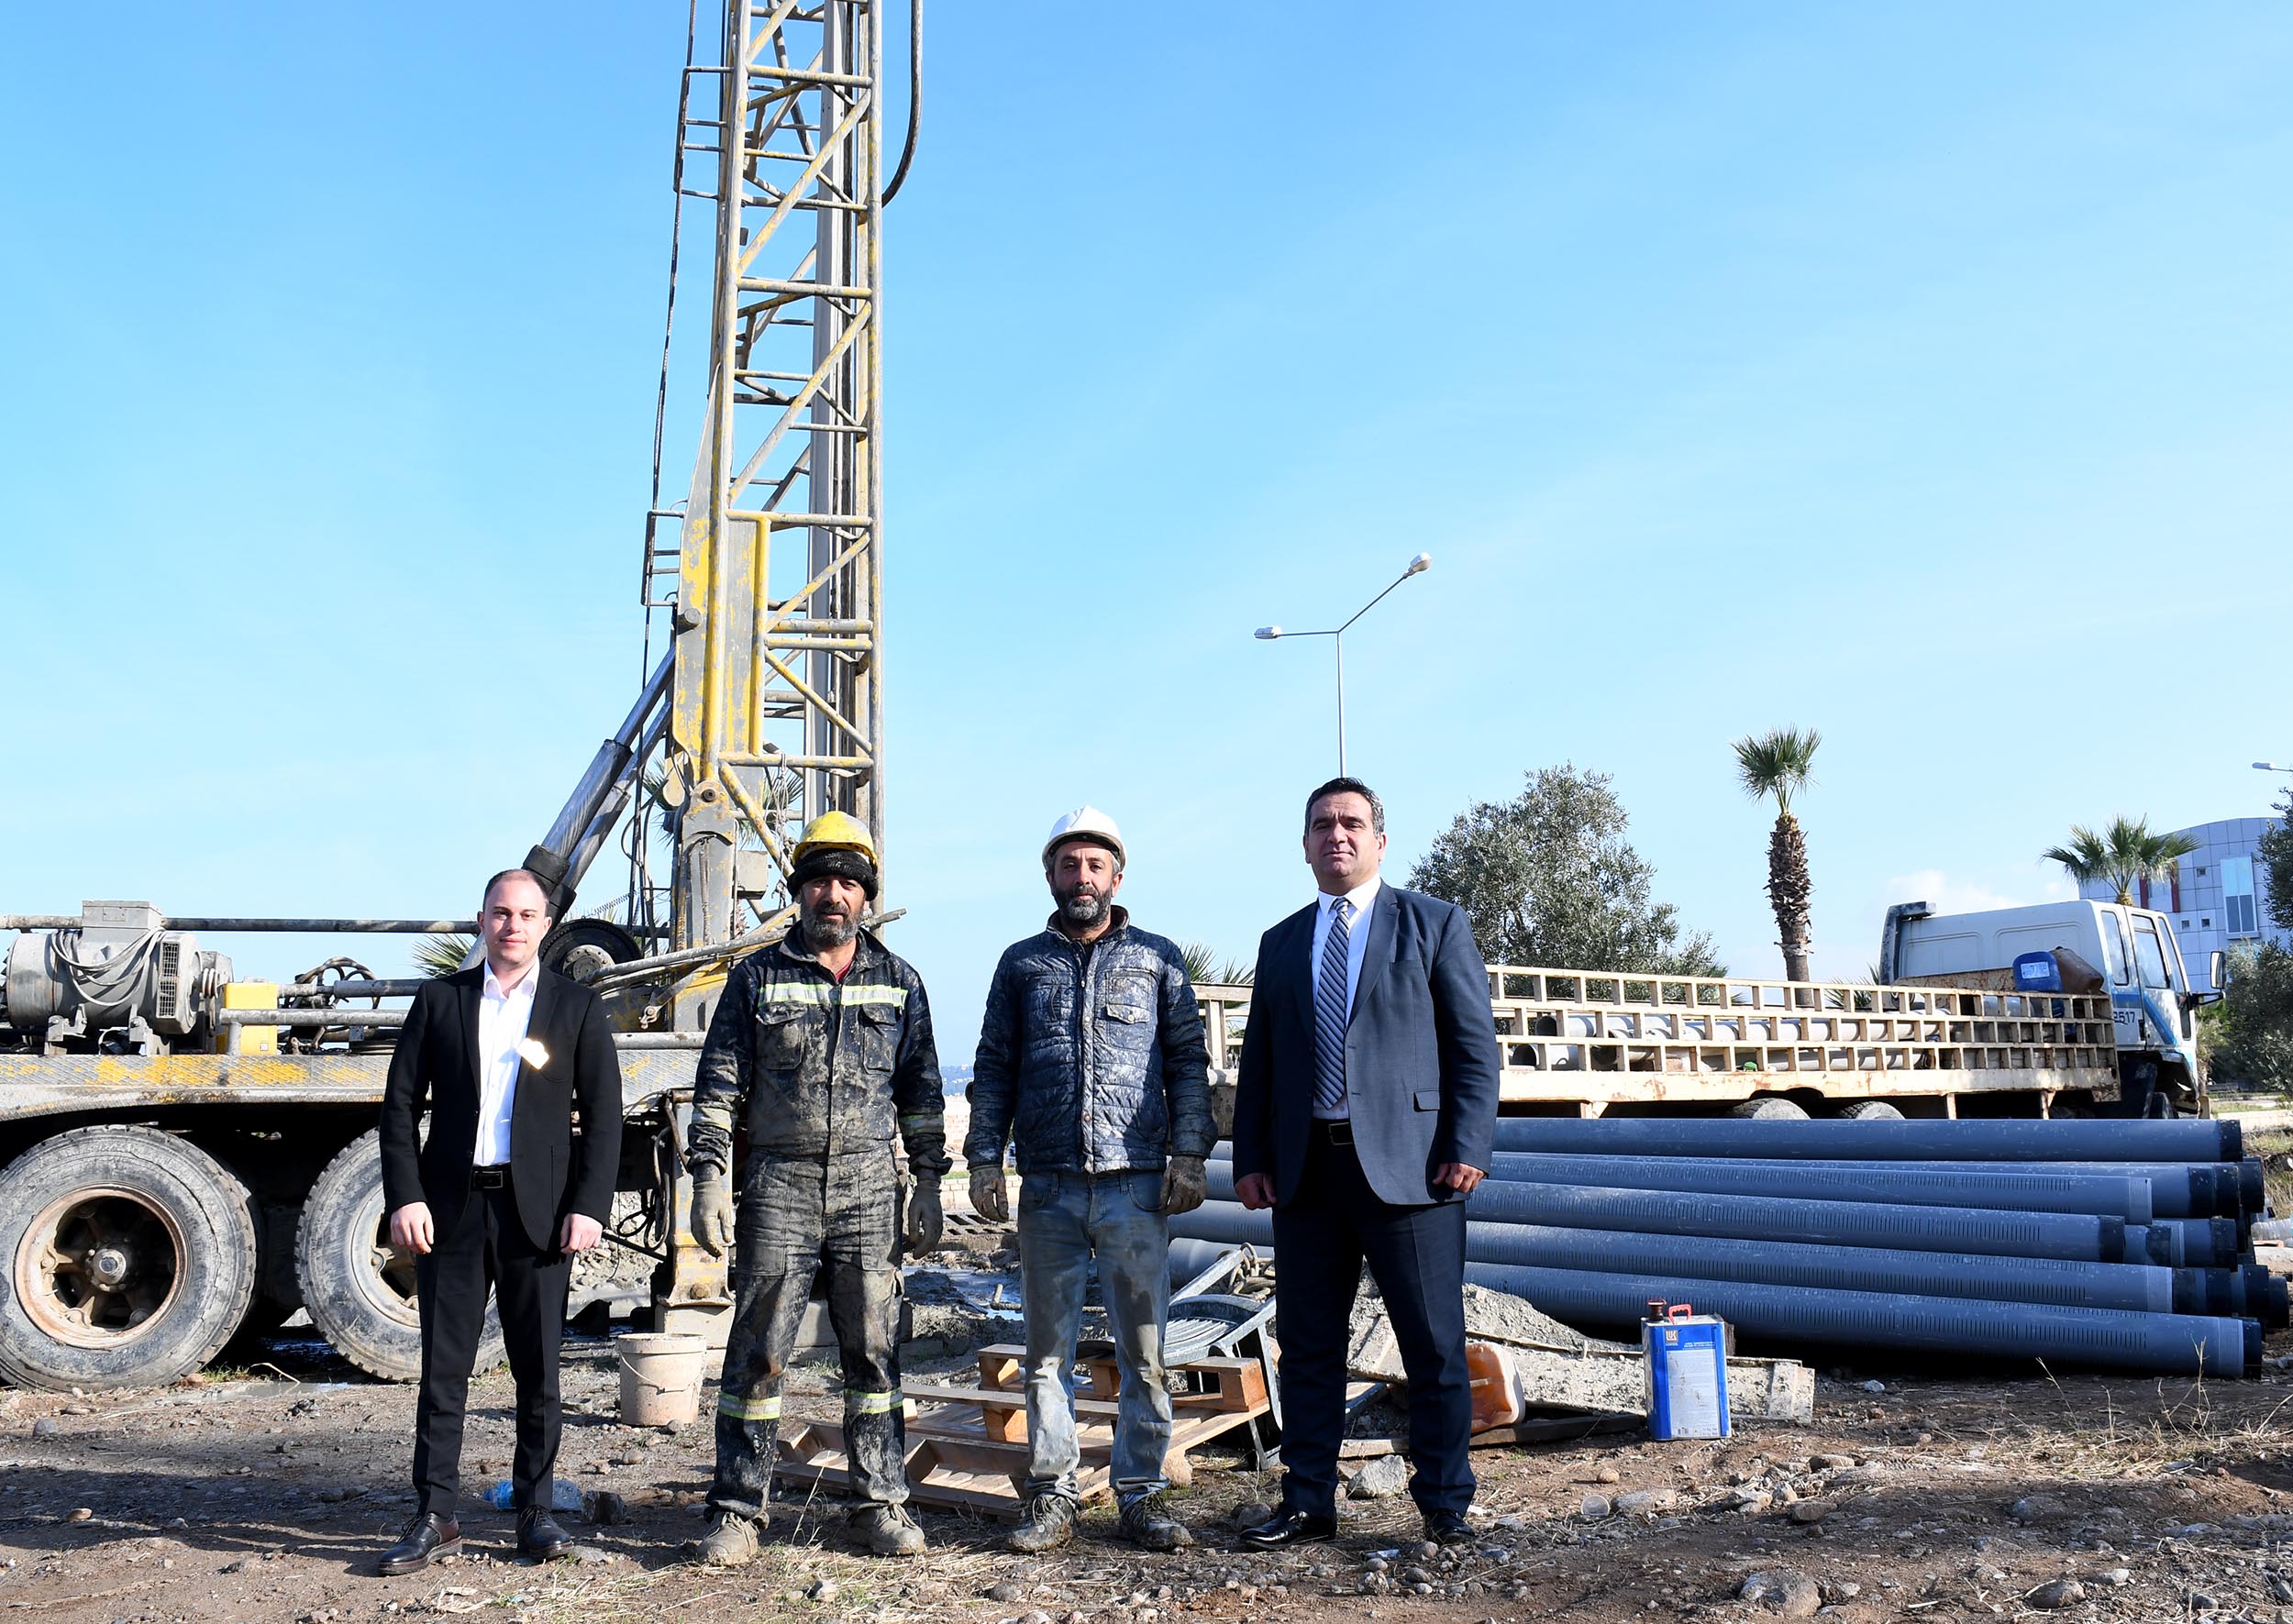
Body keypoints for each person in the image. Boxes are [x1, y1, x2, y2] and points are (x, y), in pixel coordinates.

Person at [1230, 777, 1500, 1551]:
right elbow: (1261, 1060)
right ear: (1305, 845)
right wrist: (1251, 1155)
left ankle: (1444, 1504)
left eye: (1351, 822)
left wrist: (1467, 1143)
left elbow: (1473, 1046)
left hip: (1413, 1170)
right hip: (1306, 1172)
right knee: (1309, 1345)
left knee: (1433, 1345)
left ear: (1380, 840)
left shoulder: (1434, 923)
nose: (1336, 835)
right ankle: (1307, 1500)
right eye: (1322, 824)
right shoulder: (1281, 941)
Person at [686, 811, 948, 1563]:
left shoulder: (900, 983)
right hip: (780, 1183)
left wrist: (929, 1182)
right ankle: (738, 1509)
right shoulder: (756, 977)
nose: (834, 894)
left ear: (866, 895)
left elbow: (922, 1094)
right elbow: (719, 1084)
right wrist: (709, 1177)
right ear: (799, 890)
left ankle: (879, 1503)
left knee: (874, 1351)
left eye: (848, 882)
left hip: (869, 1184)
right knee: (759, 1350)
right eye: (821, 881)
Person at [966, 806, 1215, 1553]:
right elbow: (993, 1066)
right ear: (1050, 874)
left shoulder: (1158, 959)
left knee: (1145, 1352)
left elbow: (1187, 1064)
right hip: (1049, 1187)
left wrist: (1189, 1154)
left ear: (1118, 876)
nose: (1082, 877)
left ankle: (1140, 1494)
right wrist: (984, 1157)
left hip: (1135, 1186)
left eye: (1094, 864)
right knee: (1047, 1354)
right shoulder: (1021, 965)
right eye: (1069, 864)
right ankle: (1053, 1496)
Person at [376, 868, 625, 1574]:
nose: (512, 925)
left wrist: (588, 1206)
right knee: (443, 1371)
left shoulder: (576, 1007)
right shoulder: (441, 1000)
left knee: (537, 1370)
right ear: (481, 920)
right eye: (500, 913)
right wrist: (407, 1196)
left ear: (546, 924)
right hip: (450, 1210)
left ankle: (536, 1512)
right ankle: (436, 1513)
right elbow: (399, 1107)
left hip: (537, 1216)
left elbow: (604, 1117)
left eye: (526, 914)